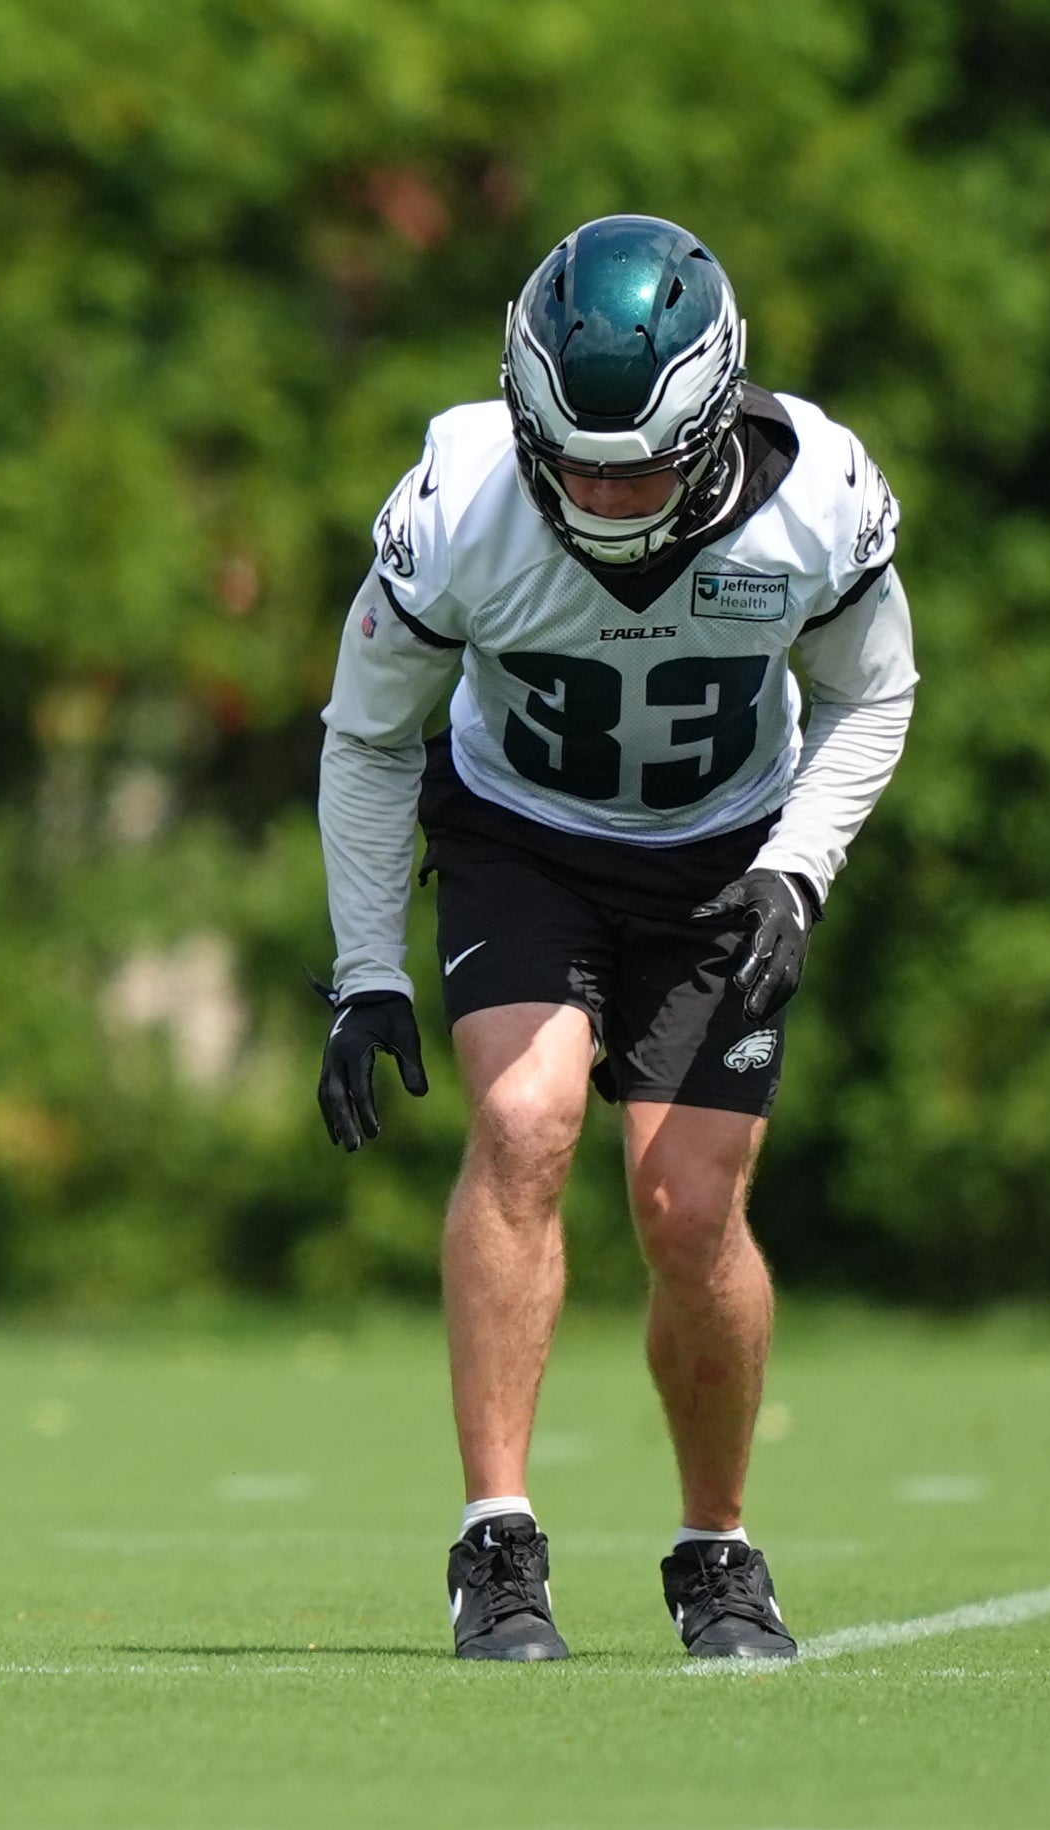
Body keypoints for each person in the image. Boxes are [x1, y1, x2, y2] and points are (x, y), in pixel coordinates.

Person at [315, 215, 918, 1661]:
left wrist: (798, 871)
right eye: (570, 460)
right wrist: (364, 962)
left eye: (631, 465)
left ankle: (718, 1548)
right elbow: (369, 731)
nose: (595, 494)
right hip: (523, 833)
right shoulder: (460, 503)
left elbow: (874, 696)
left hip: (723, 856)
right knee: (525, 1121)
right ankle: (496, 1544)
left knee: (688, 1208)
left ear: (710, 425)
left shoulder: (817, 498)